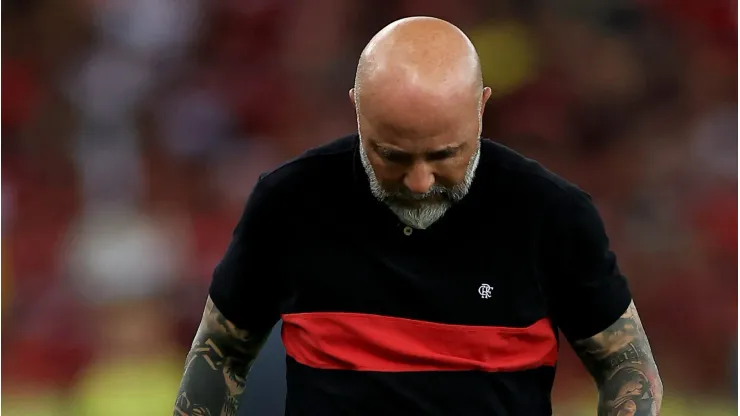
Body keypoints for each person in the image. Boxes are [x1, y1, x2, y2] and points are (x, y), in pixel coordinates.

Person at [173, 16, 663, 416]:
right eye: (392, 155)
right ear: (357, 110)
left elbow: (626, 365)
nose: (420, 182)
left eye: (444, 154)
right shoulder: (289, 202)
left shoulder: (551, 214)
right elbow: (220, 356)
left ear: (481, 108)